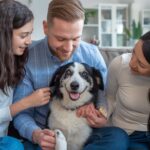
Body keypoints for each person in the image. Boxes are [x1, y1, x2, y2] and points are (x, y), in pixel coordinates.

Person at [13, 0, 129, 150]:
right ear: (46, 27)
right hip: (45, 134)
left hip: (85, 133)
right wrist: (36, 134)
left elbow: (104, 94)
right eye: (61, 39)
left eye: (75, 39)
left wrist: (102, 115)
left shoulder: (92, 54)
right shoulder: (27, 57)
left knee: (118, 137)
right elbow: (21, 113)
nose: (68, 48)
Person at [0, 0, 51, 150]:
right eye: (23, 35)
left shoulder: (13, 61)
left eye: (30, 34)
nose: (29, 41)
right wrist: (27, 102)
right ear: (4, 34)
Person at [106, 31, 150, 150]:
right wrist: (102, 115)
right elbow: (109, 98)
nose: (132, 63)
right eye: (133, 52)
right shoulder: (119, 64)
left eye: (141, 64)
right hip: (128, 133)